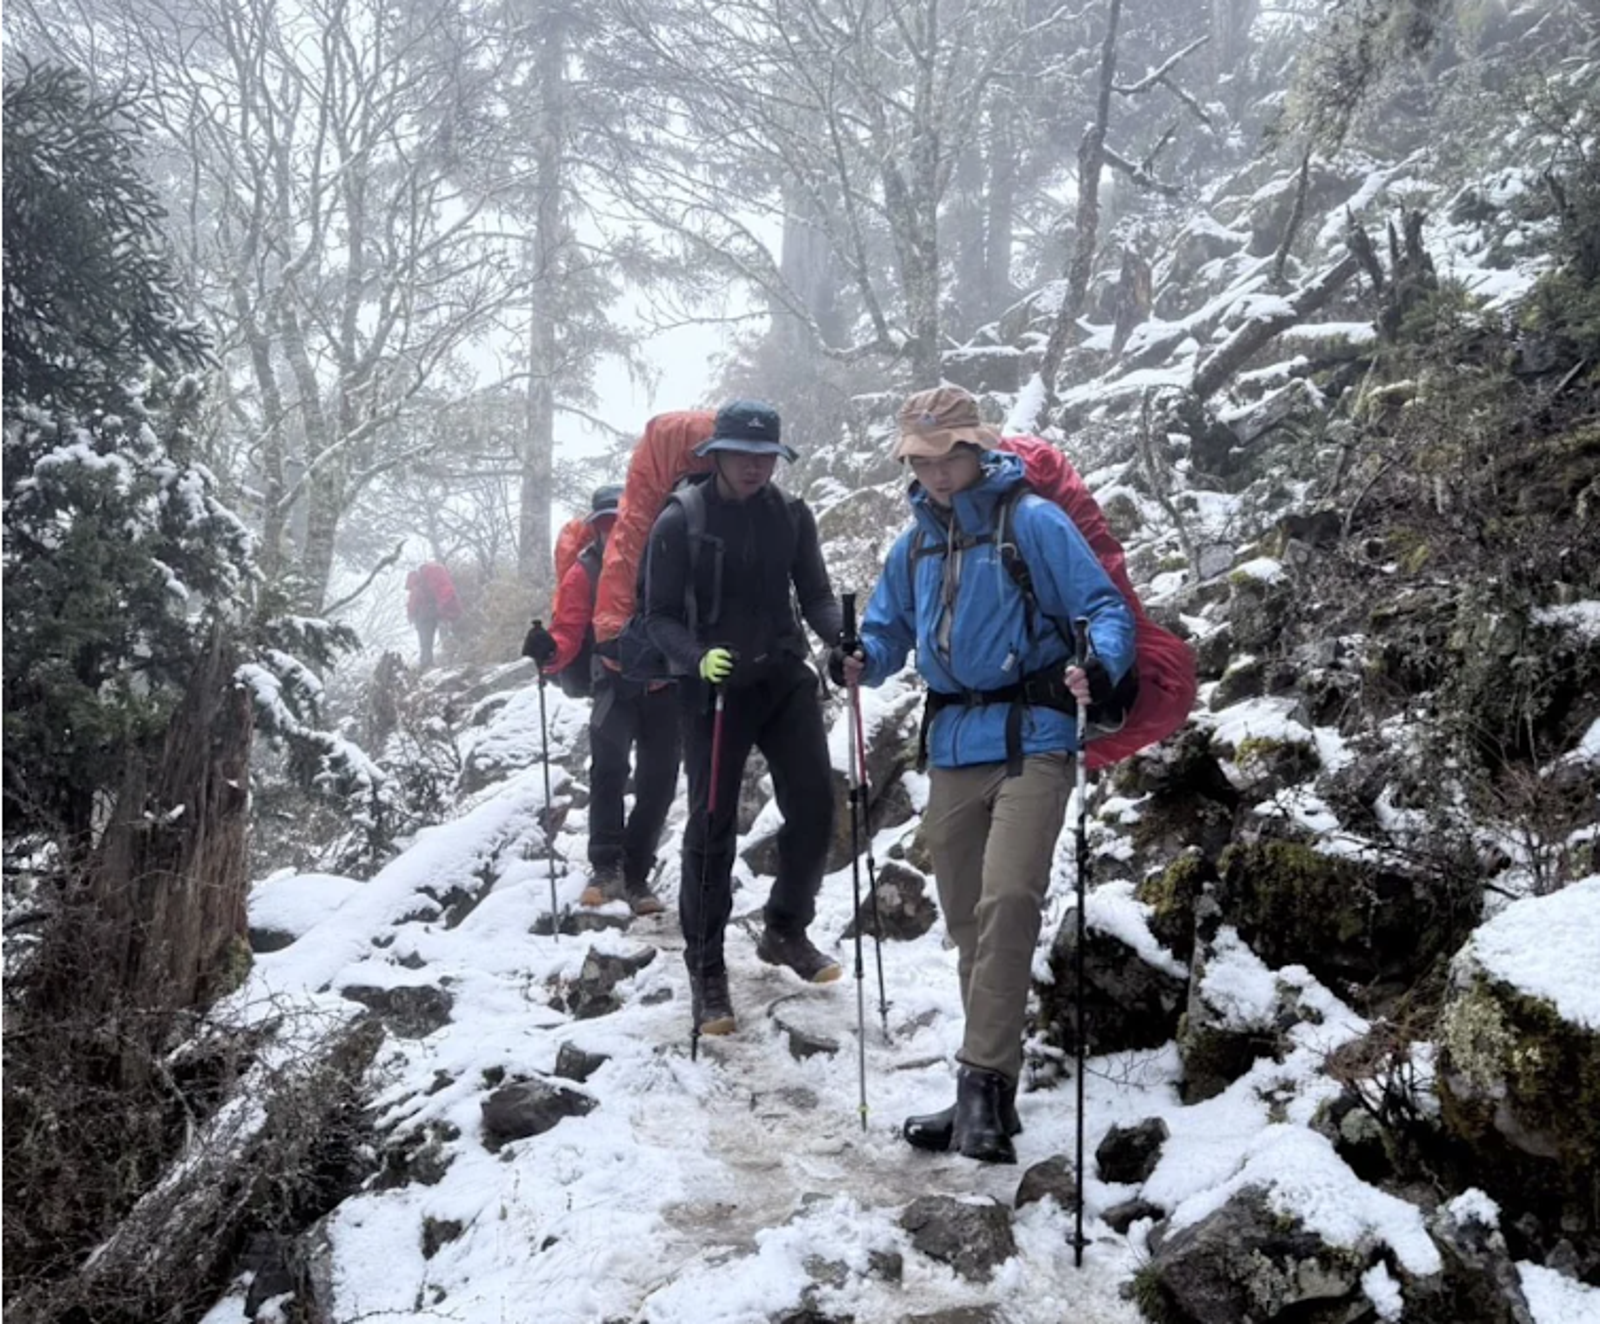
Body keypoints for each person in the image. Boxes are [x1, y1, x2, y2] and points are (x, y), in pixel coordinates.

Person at [830, 385, 1136, 1164]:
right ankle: (987, 1086)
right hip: (954, 743)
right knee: (965, 918)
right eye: (919, 459)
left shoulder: (1030, 522)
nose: (933, 472)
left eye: (947, 455)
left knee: (1007, 901)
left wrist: (1099, 666)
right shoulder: (914, 547)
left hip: (1033, 734)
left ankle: (983, 1089)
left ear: (977, 448)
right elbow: (888, 634)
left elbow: (1102, 606)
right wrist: (859, 658)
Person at [641, 399, 846, 1037]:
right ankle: (706, 968)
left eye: (766, 457)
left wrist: (844, 639)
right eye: (744, 455)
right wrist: (697, 660)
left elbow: (813, 593)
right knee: (711, 823)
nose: (756, 467)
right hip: (715, 689)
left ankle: (785, 928)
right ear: (717, 455)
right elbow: (658, 616)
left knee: (815, 805)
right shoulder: (681, 520)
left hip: (782, 675)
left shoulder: (791, 515)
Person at [524, 485, 677, 916]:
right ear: (596, 528)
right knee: (609, 772)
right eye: (608, 525)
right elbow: (569, 632)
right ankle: (606, 867)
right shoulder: (584, 573)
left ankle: (636, 873)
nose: (616, 533)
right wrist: (547, 650)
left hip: (666, 684)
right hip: (612, 682)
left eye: (622, 523)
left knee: (659, 781)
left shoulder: (668, 560)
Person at [406, 561, 461, 670]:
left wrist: (411, 615)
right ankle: (450, 660)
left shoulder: (418, 584)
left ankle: (426, 664)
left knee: (425, 641)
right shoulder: (434, 577)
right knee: (445, 635)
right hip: (438, 611)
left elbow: (413, 601)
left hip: (424, 613)